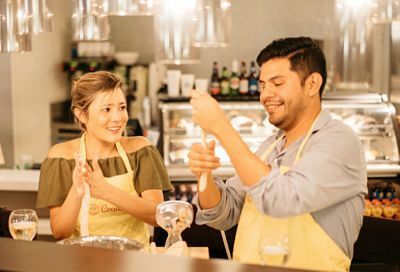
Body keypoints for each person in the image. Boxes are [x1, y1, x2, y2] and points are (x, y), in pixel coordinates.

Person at [188, 37, 367, 271]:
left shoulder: (340, 142)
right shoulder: (270, 147)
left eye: (277, 83)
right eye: (262, 85)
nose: (265, 95)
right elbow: (224, 213)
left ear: (313, 84)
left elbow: (281, 199)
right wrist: (205, 177)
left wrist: (222, 128)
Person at [37, 71, 173, 248]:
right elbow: (60, 232)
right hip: (82, 263)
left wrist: (106, 191)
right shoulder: (61, 157)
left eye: (122, 107)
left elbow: (158, 216)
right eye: (106, 109)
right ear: (81, 115)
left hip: (136, 261)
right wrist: (76, 193)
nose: (118, 118)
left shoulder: (140, 150)